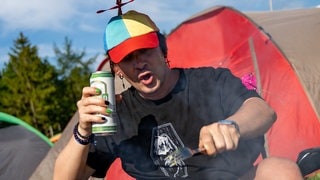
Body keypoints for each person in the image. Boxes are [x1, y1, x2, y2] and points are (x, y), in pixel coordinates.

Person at [54, 10, 303, 180]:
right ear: (117, 70)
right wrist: (83, 131)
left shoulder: (207, 80)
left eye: (145, 52)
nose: (139, 63)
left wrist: (232, 125)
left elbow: (263, 111)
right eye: (127, 59)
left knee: (278, 169)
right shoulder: (119, 115)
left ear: (162, 49)